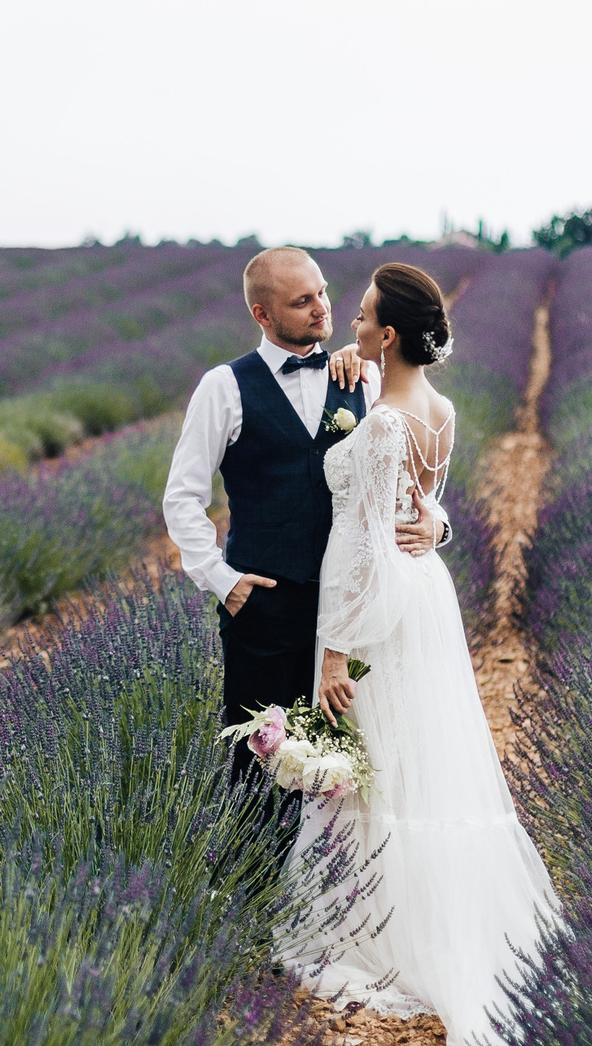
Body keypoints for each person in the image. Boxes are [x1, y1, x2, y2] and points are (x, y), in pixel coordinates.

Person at [290, 261, 563, 1046]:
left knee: (377, 757)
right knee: (419, 756)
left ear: (390, 334)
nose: (350, 324)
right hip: (426, 594)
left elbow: (360, 545)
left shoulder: (382, 423)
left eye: (362, 316)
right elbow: (423, 504)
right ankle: (437, 914)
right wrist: (437, 526)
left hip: (382, 601)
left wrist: (334, 653)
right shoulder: (438, 409)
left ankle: (384, 932)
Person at [161, 247, 448, 808]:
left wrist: (436, 523)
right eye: (302, 302)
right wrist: (224, 582)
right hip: (266, 609)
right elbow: (183, 497)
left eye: (322, 293)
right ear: (262, 314)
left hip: (357, 615)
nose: (322, 308)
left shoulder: (365, 376)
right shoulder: (224, 386)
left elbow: (410, 475)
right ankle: (257, 867)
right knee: (260, 774)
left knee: (352, 774)